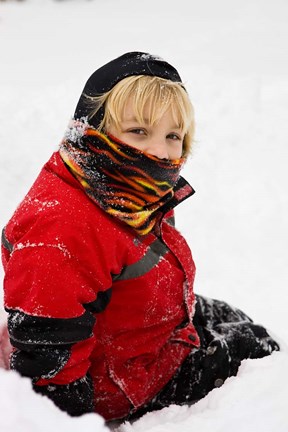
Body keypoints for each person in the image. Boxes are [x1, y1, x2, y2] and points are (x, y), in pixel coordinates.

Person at [1, 52, 279, 422]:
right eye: (138, 131)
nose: (159, 152)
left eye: (172, 136)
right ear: (94, 128)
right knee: (258, 344)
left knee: (231, 317)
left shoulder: (129, 187)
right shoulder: (63, 227)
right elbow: (49, 364)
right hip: (121, 381)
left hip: (143, 329)